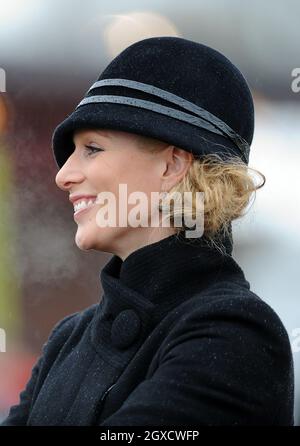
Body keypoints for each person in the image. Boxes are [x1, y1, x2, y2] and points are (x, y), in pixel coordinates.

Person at [1, 36, 294, 426]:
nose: (62, 175)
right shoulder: (68, 339)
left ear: (172, 166)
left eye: (92, 148)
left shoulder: (234, 333)